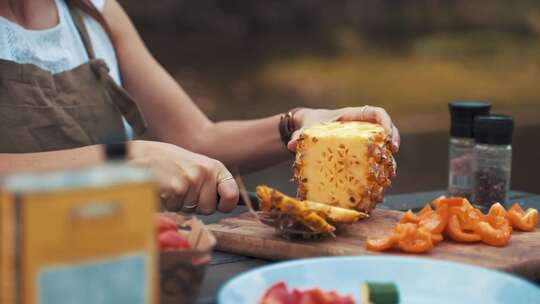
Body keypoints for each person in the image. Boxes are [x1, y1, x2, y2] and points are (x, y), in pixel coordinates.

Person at [0, 0, 400, 214]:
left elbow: (197, 138)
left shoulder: (93, 12)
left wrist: (300, 125)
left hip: (113, 265)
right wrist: (122, 163)